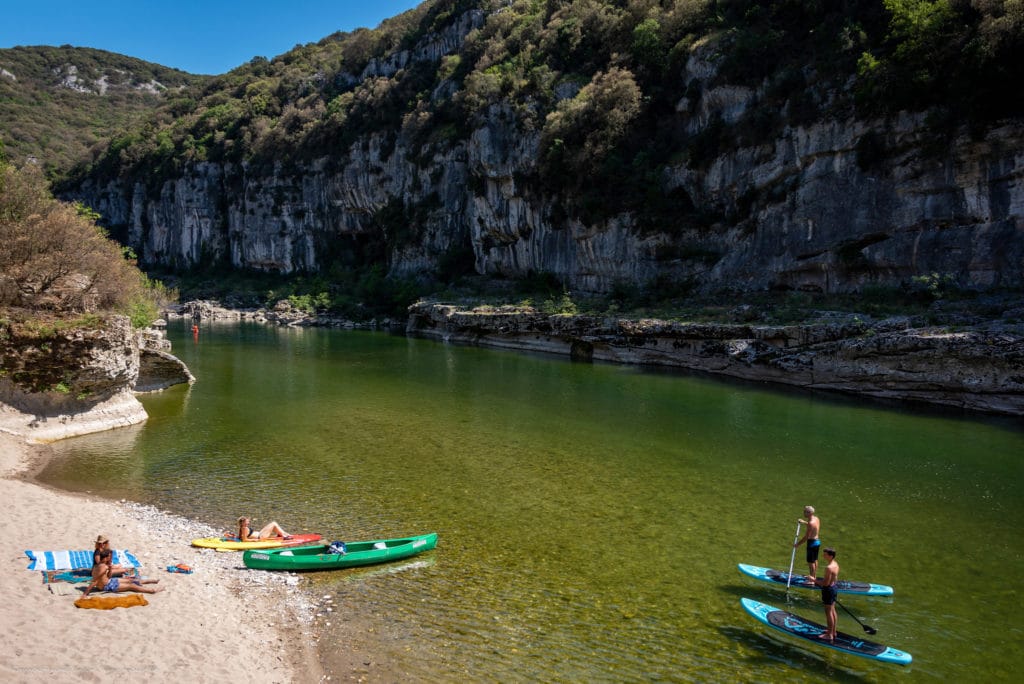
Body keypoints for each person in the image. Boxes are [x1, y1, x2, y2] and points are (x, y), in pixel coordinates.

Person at [83, 549, 162, 597]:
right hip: (106, 586)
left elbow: (108, 577)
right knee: (131, 586)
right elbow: (95, 580)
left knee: (131, 580)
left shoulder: (102, 565)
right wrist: (85, 594)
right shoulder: (102, 567)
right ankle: (152, 591)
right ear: (106, 557)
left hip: (109, 581)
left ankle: (152, 581)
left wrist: (110, 569)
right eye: (109, 557)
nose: (111, 558)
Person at [814, 547, 840, 643]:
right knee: (832, 610)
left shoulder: (829, 568)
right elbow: (833, 580)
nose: (823, 556)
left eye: (825, 554)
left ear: (831, 556)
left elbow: (825, 584)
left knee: (828, 612)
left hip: (828, 590)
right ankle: (833, 631)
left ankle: (829, 635)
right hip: (834, 588)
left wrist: (813, 580)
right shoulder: (835, 564)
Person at [793, 505, 822, 579]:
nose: (803, 513)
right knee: (815, 560)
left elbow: (806, 537)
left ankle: (811, 580)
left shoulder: (811, 523)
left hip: (812, 543)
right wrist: (804, 522)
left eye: (805, 512)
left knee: (810, 562)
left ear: (810, 513)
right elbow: (812, 525)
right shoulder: (816, 519)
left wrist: (797, 544)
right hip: (817, 542)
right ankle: (814, 576)